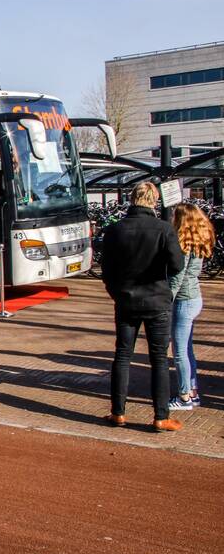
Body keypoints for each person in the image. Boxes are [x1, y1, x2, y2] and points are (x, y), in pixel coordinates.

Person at [101, 182, 186, 432]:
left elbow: (106, 269)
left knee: (122, 355)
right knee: (159, 359)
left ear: (132, 199)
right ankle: (161, 416)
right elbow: (178, 265)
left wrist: (116, 292)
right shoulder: (163, 229)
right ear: (154, 200)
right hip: (157, 298)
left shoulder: (115, 229)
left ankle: (118, 412)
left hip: (126, 299)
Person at [167, 202, 215, 411]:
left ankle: (184, 396)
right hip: (195, 297)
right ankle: (192, 390)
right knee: (187, 349)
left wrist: (166, 298)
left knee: (179, 352)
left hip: (183, 300)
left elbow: (178, 277)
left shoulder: (183, 245)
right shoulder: (198, 241)